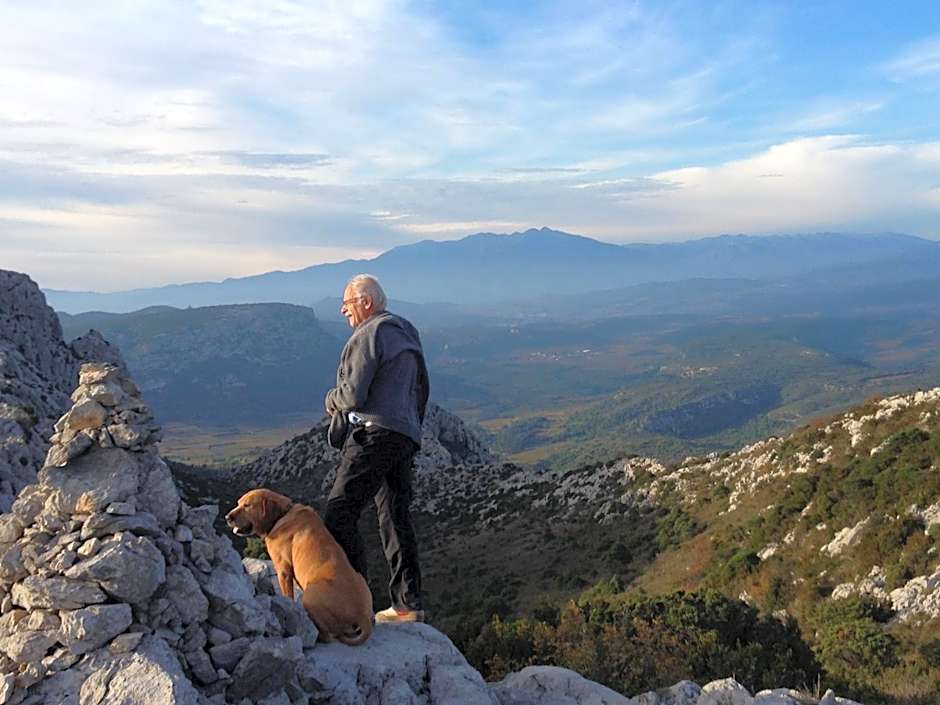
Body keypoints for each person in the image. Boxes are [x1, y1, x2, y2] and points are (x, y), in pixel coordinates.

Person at [323, 274, 429, 623]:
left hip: (374, 432)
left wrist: (331, 400)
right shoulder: (405, 331)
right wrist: (412, 427)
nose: (343, 311)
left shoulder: (368, 334)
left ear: (366, 303)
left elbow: (353, 394)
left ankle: (356, 605)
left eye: (347, 304)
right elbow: (421, 386)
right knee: (395, 516)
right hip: (404, 433)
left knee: (340, 512)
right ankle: (407, 605)